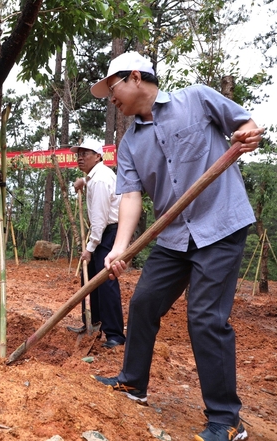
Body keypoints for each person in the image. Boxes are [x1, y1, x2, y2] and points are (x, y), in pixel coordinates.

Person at [89, 51, 262, 441]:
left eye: (112, 88)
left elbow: (246, 124)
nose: (110, 98)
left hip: (220, 225)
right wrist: (120, 248)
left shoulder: (197, 99)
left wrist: (249, 133)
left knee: (205, 316)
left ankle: (226, 419)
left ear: (135, 77)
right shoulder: (129, 143)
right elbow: (131, 196)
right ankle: (134, 382)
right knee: (144, 301)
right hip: (173, 236)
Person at [69, 138, 126, 349]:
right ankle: (92, 325)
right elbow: (88, 181)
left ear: (99, 156)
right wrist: (81, 181)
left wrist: (89, 249)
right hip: (102, 233)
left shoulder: (101, 180)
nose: (80, 157)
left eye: (86, 153)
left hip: (108, 235)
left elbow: (100, 221)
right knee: (89, 281)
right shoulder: (94, 176)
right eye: (79, 154)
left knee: (106, 282)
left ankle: (115, 334)